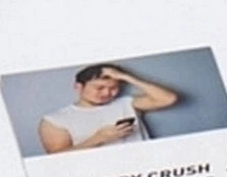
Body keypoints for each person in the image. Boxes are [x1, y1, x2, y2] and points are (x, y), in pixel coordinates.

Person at [38, 63, 178, 153]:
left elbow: (168, 99)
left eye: (113, 88)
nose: (106, 93)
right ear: (78, 87)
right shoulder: (55, 120)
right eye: (100, 88)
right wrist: (98, 138)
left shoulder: (127, 103)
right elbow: (57, 158)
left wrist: (126, 77)